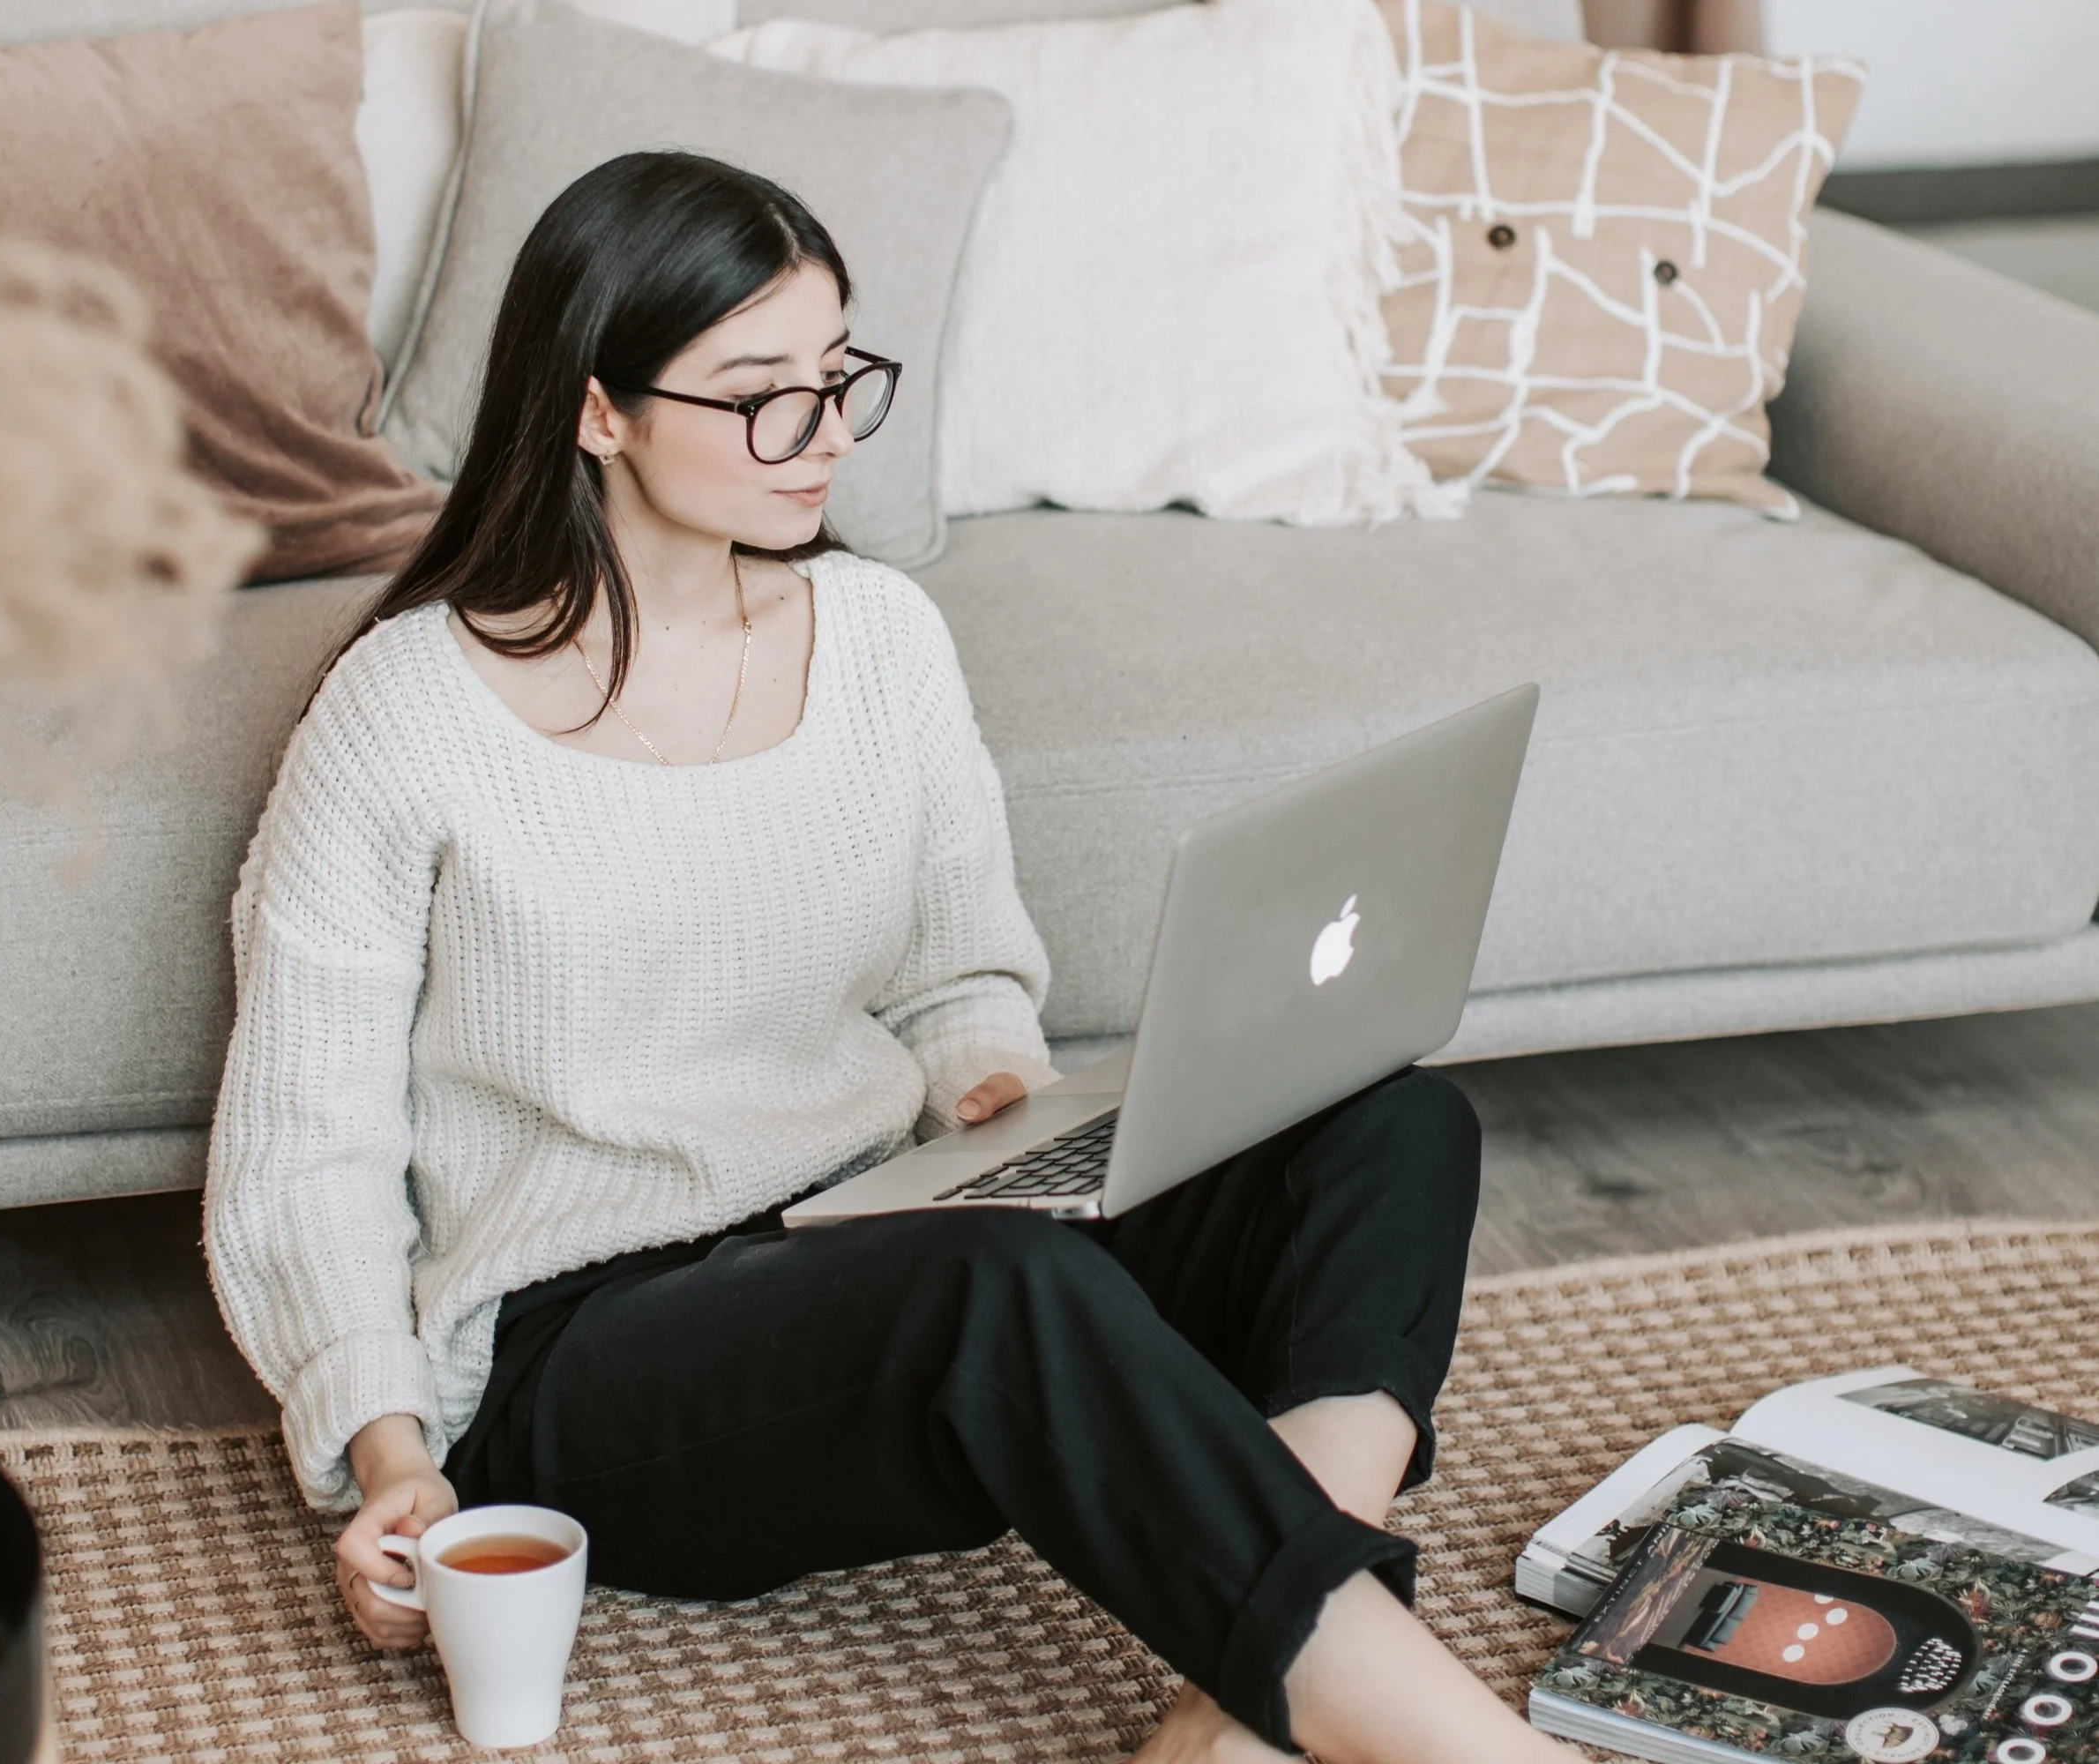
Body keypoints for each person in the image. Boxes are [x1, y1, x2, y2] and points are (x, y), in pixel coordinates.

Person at [202, 149, 1575, 1764]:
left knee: (1390, 1124)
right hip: (585, 1353)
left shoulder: (878, 640)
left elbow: (955, 978)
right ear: (599, 410)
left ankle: (1236, 1697)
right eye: (764, 394)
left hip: (874, 1229)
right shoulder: (408, 713)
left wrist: (1000, 1104)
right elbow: (309, 1154)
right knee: (1003, 1287)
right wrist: (390, 1462)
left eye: (841, 375)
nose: (830, 435)